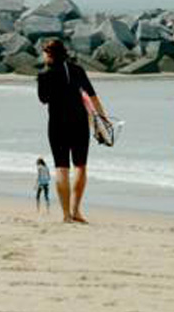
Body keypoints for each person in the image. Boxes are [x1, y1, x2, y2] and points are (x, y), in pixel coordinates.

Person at [37, 38, 108, 224]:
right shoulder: (77, 70)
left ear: (49, 54)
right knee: (80, 166)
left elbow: (43, 99)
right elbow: (92, 97)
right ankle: (76, 210)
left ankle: (66, 215)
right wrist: (103, 120)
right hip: (79, 122)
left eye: (44, 53)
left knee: (61, 168)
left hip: (57, 124)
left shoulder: (44, 74)